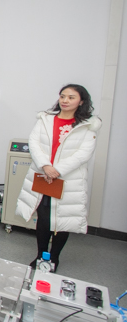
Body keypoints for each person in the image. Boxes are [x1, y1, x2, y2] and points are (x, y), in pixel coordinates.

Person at [16, 84, 100, 272]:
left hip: (67, 180)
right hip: (44, 175)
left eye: (71, 97)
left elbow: (83, 154)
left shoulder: (88, 125)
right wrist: (45, 166)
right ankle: (41, 255)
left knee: (63, 221)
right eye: (63, 96)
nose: (65, 100)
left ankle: (54, 257)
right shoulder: (45, 119)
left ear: (81, 101)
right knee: (43, 219)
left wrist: (57, 170)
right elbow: (34, 143)